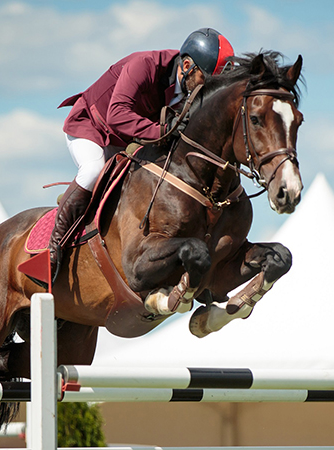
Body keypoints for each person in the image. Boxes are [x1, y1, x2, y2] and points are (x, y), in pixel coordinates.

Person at [49, 28, 234, 284]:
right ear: (188, 66)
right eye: (206, 79)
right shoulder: (144, 65)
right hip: (91, 127)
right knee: (93, 170)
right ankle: (54, 247)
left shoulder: (190, 90)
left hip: (126, 140)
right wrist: (162, 131)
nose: (207, 89)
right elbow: (116, 115)